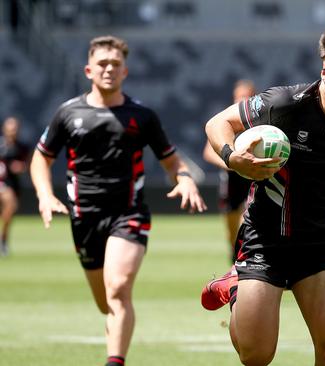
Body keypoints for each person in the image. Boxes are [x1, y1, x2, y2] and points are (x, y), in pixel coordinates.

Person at [201, 26, 325, 365]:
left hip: (319, 242)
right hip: (266, 242)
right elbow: (216, 122)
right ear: (324, 73)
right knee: (257, 355)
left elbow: (322, 170)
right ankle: (237, 285)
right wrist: (231, 156)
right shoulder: (284, 104)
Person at [30, 35, 206, 366]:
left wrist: (183, 179)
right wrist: (44, 194)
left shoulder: (142, 116)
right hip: (84, 217)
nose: (109, 69)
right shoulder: (68, 113)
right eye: (102, 64)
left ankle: (115, 361)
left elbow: (172, 161)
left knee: (119, 287)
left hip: (129, 213)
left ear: (125, 71)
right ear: (88, 70)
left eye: (115, 64)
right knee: (106, 302)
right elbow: (41, 158)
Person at [202, 80, 256, 262]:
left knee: (246, 221)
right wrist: (231, 162)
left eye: (247, 96)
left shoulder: (260, 122)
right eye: (240, 96)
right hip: (232, 179)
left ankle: (245, 258)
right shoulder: (226, 121)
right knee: (232, 229)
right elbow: (208, 152)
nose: (243, 99)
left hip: (252, 177)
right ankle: (234, 254)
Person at [0, 116, 30, 256]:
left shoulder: (22, 148)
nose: (12, 132)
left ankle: (3, 239)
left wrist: (21, 167)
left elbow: (28, 165)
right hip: (2, 183)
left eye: (15, 129)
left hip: (13, 184)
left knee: (9, 212)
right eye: (9, 129)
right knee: (9, 200)